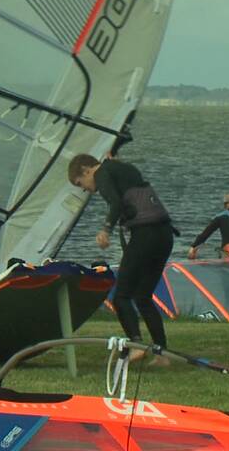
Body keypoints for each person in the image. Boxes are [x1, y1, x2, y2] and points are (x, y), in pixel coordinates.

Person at [68, 153, 176, 364]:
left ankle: (136, 345)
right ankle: (162, 354)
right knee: (143, 297)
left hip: (146, 235)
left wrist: (105, 229)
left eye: (81, 183)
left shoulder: (102, 173)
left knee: (121, 297)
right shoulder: (123, 168)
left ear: (86, 170)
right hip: (165, 235)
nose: (86, 189)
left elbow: (116, 204)